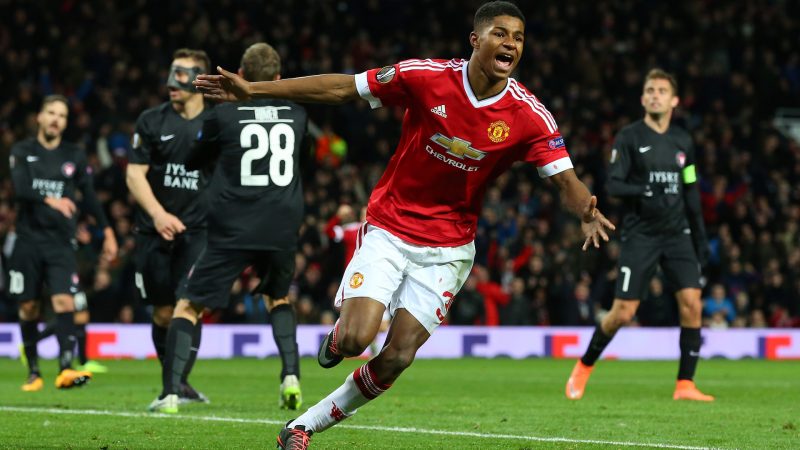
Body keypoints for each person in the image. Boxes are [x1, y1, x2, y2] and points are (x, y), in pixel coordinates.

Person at [195, 2, 614, 447]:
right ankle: (340, 337)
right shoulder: (424, 75)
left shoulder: (528, 115)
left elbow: (566, 181)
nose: (511, 43)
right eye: (500, 33)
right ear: (475, 40)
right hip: (391, 226)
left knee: (397, 357)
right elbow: (342, 89)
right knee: (358, 337)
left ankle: (302, 427)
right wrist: (255, 90)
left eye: (519, 37)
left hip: (450, 248)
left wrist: (583, 210)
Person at [148, 43, 307, 414]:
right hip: (282, 223)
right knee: (278, 298)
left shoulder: (224, 116)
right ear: (278, 79)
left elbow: (192, 159)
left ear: (239, 74)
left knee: (187, 306)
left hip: (233, 226)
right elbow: (305, 159)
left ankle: (170, 394)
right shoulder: (298, 115)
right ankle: (290, 377)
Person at [565, 68, 714, 402]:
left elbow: (690, 189)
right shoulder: (630, 137)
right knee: (623, 313)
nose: (655, 95)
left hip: (678, 234)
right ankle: (584, 365)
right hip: (641, 235)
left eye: (662, 90)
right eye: (650, 90)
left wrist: (700, 239)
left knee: (692, 304)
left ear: (674, 100)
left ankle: (685, 385)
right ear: (643, 97)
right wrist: (645, 188)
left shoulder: (683, 141)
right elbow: (614, 184)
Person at [8, 95, 117, 391]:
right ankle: (33, 371)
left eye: (62, 115)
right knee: (29, 306)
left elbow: (91, 197)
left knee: (64, 301)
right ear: (40, 118)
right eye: (51, 113)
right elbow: (20, 187)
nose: (56, 119)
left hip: (59, 242)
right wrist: (51, 200)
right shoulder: (22, 150)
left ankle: (65, 368)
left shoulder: (74, 155)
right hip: (28, 241)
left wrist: (107, 230)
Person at [127, 48, 213, 405]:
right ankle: (176, 380)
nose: (171, 82)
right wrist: (158, 215)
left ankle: (176, 384)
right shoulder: (151, 121)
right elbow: (134, 174)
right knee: (163, 311)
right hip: (153, 231)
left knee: (189, 306)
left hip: (199, 231)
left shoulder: (217, 123)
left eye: (181, 75)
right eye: (171, 72)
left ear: (199, 82)